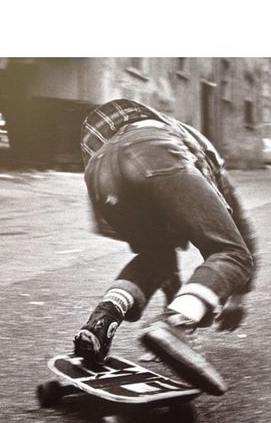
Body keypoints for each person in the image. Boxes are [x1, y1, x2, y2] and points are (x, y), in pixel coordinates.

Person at [73, 98, 258, 396]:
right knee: (233, 255)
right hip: (151, 150)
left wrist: (184, 302)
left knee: (155, 257)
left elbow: (165, 268)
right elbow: (236, 230)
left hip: (98, 170)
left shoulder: (135, 138)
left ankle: (102, 320)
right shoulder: (198, 152)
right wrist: (235, 292)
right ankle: (175, 323)